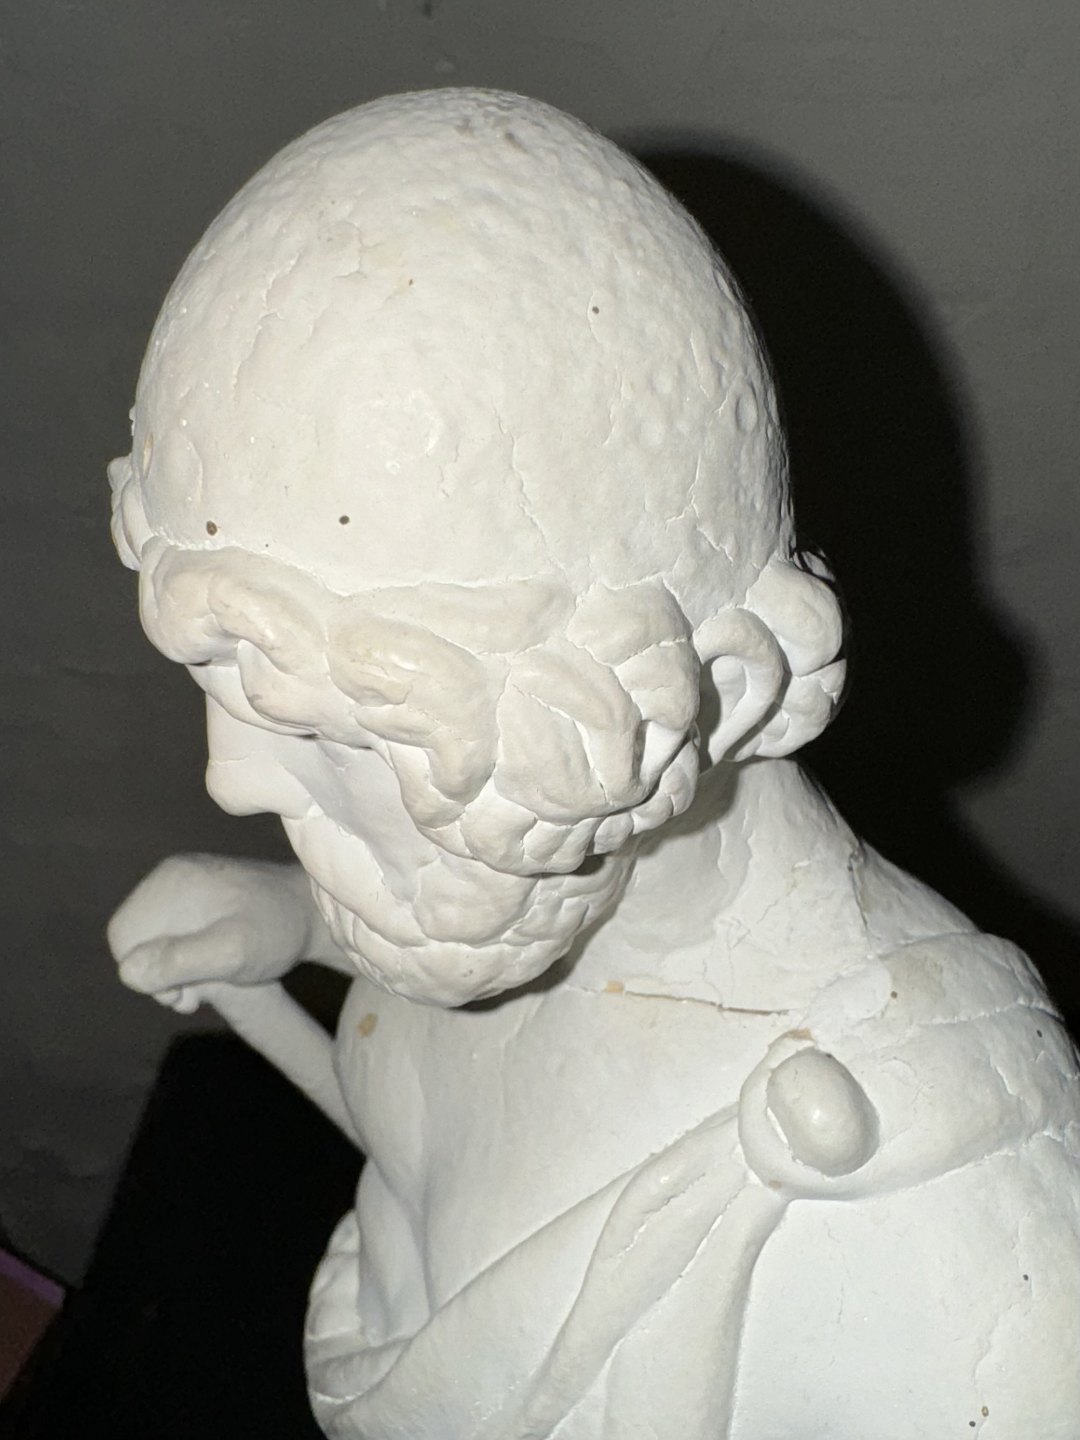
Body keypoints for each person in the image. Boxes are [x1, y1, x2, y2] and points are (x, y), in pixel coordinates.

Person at [107, 89, 1080, 1438]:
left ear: (695, 699)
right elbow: (466, 1163)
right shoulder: (512, 889)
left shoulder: (961, 1259)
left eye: (340, 724)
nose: (232, 778)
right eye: (224, 680)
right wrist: (301, 921)